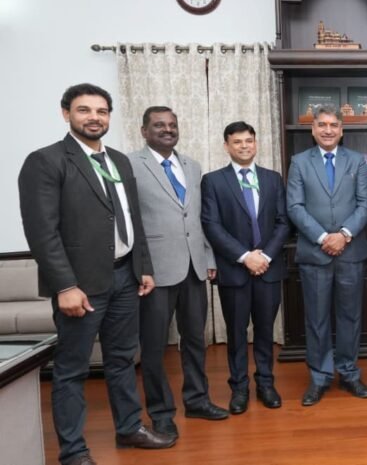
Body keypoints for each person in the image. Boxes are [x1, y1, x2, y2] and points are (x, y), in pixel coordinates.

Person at [19, 83, 175, 465]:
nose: (94, 117)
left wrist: (143, 267)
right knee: (71, 370)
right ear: (66, 113)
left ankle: (129, 428)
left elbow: (132, 219)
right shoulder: (46, 161)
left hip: (125, 278)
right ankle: (73, 451)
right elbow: (42, 232)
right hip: (81, 286)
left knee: (122, 360)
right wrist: (65, 286)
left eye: (101, 111)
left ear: (109, 116)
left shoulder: (119, 160)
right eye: (84, 110)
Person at [128, 106, 228, 438]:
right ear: (144, 131)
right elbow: (130, 222)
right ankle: (160, 412)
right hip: (155, 272)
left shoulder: (192, 166)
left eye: (172, 124)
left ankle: (197, 400)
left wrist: (209, 257)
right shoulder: (131, 165)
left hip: (194, 268)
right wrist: (141, 267)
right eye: (159, 125)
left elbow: (196, 218)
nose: (167, 129)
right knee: (155, 346)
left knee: (196, 340)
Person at [286, 106, 367, 406]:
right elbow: (294, 206)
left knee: (350, 316)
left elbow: (365, 204)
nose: (328, 130)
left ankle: (349, 372)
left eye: (333, 125)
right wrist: (324, 238)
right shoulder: (299, 162)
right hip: (315, 252)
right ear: (313, 129)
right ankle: (319, 377)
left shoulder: (356, 161)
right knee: (317, 319)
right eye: (322, 125)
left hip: (351, 252)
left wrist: (344, 234)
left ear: (341, 130)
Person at [201, 121, 290, 414]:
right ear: (226, 146)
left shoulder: (273, 178)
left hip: (268, 269)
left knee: (265, 330)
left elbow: (283, 222)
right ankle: (239, 388)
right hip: (234, 271)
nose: (244, 146)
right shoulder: (213, 181)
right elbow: (211, 225)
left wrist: (265, 256)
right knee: (237, 333)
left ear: (256, 144)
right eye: (237, 142)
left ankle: (266, 383)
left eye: (248, 141)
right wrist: (244, 256)